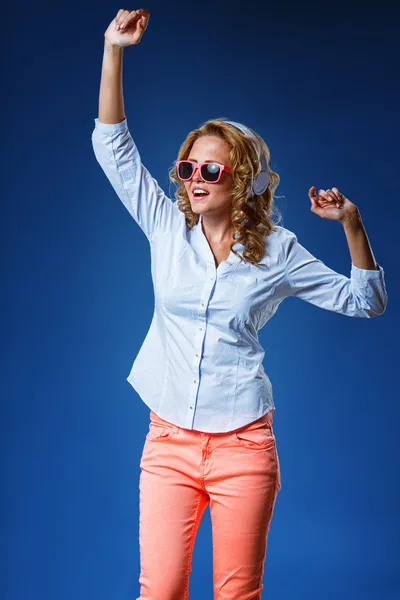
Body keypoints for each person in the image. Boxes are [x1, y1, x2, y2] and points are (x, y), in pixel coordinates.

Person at [91, 9, 388, 600]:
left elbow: (366, 301)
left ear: (243, 177)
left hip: (245, 444)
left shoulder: (278, 251)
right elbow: (113, 148)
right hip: (169, 439)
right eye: (186, 167)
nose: (193, 178)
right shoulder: (165, 226)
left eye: (209, 168)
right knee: (161, 590)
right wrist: (113, 50)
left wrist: (352, 224)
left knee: (236, 594)